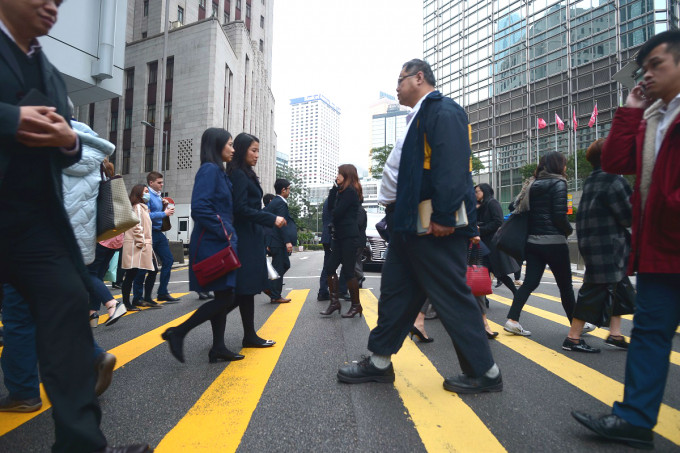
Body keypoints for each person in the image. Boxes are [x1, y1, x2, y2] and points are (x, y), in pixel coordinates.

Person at [0, 1, 149, 451]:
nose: (52, 6)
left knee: (68, 304)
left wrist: (67, 141)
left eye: (60, 2)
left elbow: (64, 137)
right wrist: (11, 118)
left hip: (32, 222)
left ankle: (82, 444)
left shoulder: (42, 63)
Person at [337, 59, 502, 394]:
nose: (397, 87)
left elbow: (453, 167)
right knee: (396, 294)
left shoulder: (443, 111)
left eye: (400, 80)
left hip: (432, 225)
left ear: (419, 78)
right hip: (409, 224)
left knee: (452, 296)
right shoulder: (419, 117)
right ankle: (380, 362)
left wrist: (443, 216)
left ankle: (485, 372)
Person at [572, 30, 680, 450]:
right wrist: (632, 109)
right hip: (658, 249)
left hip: (666, 236)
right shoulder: (656, 116)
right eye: (644, 68)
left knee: (652, 334)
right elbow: (616, 161)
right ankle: (634, 419)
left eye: (657, 65)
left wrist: (668, 205)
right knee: (650, 334)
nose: (647, 74)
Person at [161, 128, 244, 363]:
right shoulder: (209, 170)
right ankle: (178, 332)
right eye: (229, 144)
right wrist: (226, 231)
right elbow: (200, 208)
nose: (233, 148)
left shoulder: (219, 172)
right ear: (217, 146)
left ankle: (218, 347)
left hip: (219, 241)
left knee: (225, 294)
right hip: (212, 243)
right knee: (226, 297)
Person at [563, 139, 633, 353]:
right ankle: (573, 338)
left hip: (594, 243)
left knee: (619, 287)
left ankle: (615, 333)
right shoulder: (614, 180)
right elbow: (629, 216)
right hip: (609, 246)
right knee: (594, 289)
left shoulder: (593, 179)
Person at [504, 152, 576, 337]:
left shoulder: (532, 184)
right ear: (558, 165)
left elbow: (514, 206)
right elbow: (559, 216)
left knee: (529, 283)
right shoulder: (559, 183)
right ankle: (576, 327)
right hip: (554, 243)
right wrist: (568, 230)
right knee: (565, 286)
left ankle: (512, 320)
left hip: (533, 243)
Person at [228, 132, 287, 348]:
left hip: (252, 236)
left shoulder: (246, 173)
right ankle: (194, 324)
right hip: (243, 237)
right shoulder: (238, 174)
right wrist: (272, 219)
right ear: (242, 150)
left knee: (247, 289)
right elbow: (241, 209)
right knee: (243, 288)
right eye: (254, 150)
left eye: (258, 151)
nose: (257, 155)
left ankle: (249, 335)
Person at [64, 124, 126, 327]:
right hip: (95, 231)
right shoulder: (98, 170)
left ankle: (110, 304)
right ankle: (92, 313)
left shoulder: (65, 163)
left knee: (86, 274)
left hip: (73, 229)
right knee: (94, 274)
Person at [320, 164, 364, 318]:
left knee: (349, 272)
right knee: (330, 267)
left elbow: (336, 213)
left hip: (349, 238)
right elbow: (331, 206)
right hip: (339, 237)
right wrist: (333, 189)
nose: (336, 176)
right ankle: (334, 303)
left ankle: (356, 305)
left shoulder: (350, 192)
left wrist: (334, 210)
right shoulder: (341, 191)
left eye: (339, 174)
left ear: (346, 175)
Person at [132, 171, 180, 304]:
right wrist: (164, 213)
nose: (162, 185)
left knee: (168, 260)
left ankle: (162, 292)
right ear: (151, 183)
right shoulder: (147, 196)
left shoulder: (158, 196)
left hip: (158, 233)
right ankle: (138, 297)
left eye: (162, 182)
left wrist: (164, 205)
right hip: (149, 233)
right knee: (145, 267)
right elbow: (146, 215)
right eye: (159, 182)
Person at [475, 183, 518, 296]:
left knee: (500, 274)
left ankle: (516, 293)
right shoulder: (479, 205)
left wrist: (481, 229)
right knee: (483, 272)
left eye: (477, 191)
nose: (475, 194)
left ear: (484, 191)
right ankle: (484, 300)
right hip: (483, 244)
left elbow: (498, 221)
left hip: (492, 244)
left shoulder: (492, 203)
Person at [121, 185, 157, 311]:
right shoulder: (137, 208)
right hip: (136, 245)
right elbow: (137, 225)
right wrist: (141, 243)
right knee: (131, 274)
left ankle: (141, 298)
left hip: (142, 244)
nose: (148, 194)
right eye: (146, 192)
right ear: (139, 194)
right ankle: (127, 303)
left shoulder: (143, 208)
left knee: (147, 271)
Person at [263, 179, 295, 303]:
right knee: (279, 268)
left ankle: (271, 288)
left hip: (274, 241)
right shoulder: (280, 203)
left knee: (284, 265)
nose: (289, 191)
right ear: (283, 190)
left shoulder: (274, 202)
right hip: (278, 241)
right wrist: (287, 241)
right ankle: (275, 295)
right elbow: (281, 224)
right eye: (289, 189)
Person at [316, 197, 332, 301]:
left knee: (328, 265)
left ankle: (323, 291)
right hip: (332, 236)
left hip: (327, 235)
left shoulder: (328, 200)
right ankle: (341, 291)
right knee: (330, 266)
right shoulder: (335, 199)